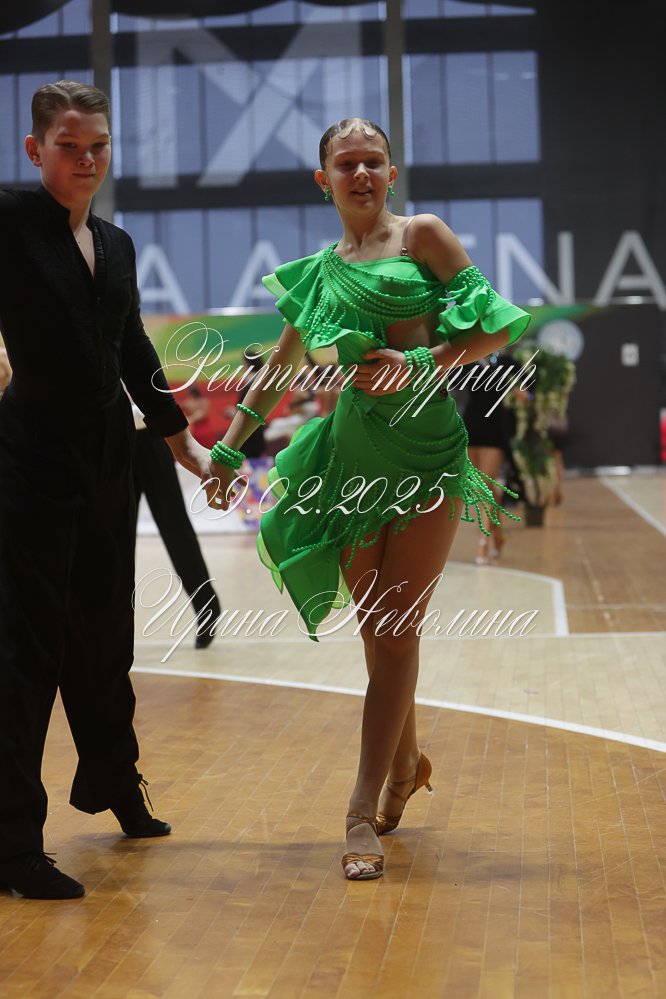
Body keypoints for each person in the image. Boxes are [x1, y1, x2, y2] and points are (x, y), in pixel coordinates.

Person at [203, 118, 530, 881]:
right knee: (377, 635)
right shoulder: (320, 272)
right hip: (348, 463)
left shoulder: (424, 236)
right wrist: (227, 447)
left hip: (426, 457)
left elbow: (493, 330)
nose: (360, 173)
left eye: (372, 161)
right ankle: (408, 763)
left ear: (390, 172)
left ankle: (360, 808)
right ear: (324, 180)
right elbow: (279, 369)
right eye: (345, 163)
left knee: (397, 630)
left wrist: (423, 363)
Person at [0, 81, 211, 900]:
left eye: (98, 145)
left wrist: (182, 441)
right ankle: (14, 845)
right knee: (26, 652)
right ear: (34, 149)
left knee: (105, 634)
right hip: (29, 461)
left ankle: (116, 781)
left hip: (107, 460)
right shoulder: (11, 221)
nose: (86, 159)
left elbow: (132, 347)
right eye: (68, 146)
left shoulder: (116, 244)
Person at [131, 402, 222, 649]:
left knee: (175, 528)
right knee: (117, 538)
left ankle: (206, 604)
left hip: (151, 436)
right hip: (113, 442)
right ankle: (113, 625)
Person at [462, 352, 516, 563]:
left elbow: (531, 389)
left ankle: (482, 542)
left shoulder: (504, 361)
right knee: (484, 487)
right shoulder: (468, 359)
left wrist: (521, 393)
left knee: (485, 485)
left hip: (494, 429)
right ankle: (499, 535)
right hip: (472, 427)